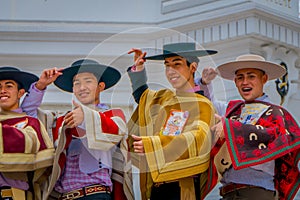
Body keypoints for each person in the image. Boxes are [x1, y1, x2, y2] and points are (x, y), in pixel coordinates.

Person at [197, 54, 300, 200]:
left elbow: (270, 137)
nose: (245, 82)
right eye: (240, 77)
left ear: (263, 79)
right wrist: (204, 82)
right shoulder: (233, 109)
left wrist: (228, 127)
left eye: (251, 76)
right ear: (235, 82)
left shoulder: (276, 113)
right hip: (228, 193)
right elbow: (207, 108)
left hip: (256, 192)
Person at [126, 42, 217, 200]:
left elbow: (199, 138)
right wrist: (139, 70)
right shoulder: (164, 98)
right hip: (156, 189)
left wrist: (153, 144)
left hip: (182, 188)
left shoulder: (202, 103)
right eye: (167, 65)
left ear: (193, 67)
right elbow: (144, 99)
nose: (170, 71)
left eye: (177, 64)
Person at [43, 59, 133, 200]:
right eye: (76, 83)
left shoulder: (113, 116)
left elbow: (114, 132)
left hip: (94, 194)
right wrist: (40, 86)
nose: (82, 87)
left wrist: (86, 116)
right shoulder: (62, 120)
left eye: (88, 81)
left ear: (101, 86)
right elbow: (30, 119)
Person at [0, 66, 56, 200]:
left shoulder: (29, 122)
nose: (2, 91)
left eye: (9, 86)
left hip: (13, 195)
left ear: (20, 93)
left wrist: (40, 85)